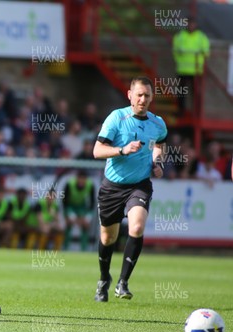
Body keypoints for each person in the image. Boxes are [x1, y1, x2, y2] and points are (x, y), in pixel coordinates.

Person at [93, 76, 167, 302]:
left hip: (139, 184)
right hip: (112, 186)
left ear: (152, 97)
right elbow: (97, 151)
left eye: (147, 95)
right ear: (130, 95)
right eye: (139, 95)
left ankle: (123, 283)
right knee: (108, 238)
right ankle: (104, 279)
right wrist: (122, 150)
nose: (143, 99)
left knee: (137, 227)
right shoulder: (117, 118)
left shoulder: (158, 123)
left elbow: (161, 144)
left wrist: (158, 162)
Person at [172, 19, 210, 115]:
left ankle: (197, 112)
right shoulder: (179, 36)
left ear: (196, 24)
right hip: (182, 70)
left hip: (197, 71)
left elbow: (206, 53)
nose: (191, 26)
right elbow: (175, 52)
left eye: (193, 24)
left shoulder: (201, 37)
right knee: (181, 93)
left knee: (196, 93)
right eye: (189, 24)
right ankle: (181, 111)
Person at [63, 170, 95, 251]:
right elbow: (65, 201)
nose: (81, 181)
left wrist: (87, 218)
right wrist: (70, 216)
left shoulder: (90, 185)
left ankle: (84, 249)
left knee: (85, 226)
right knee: (69, 224)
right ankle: (65, 247)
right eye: (80, 179)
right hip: (70, 206)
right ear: (77, 179)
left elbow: (92, 203)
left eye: (83, 179)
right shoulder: (69, 184)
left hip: (81, 207)